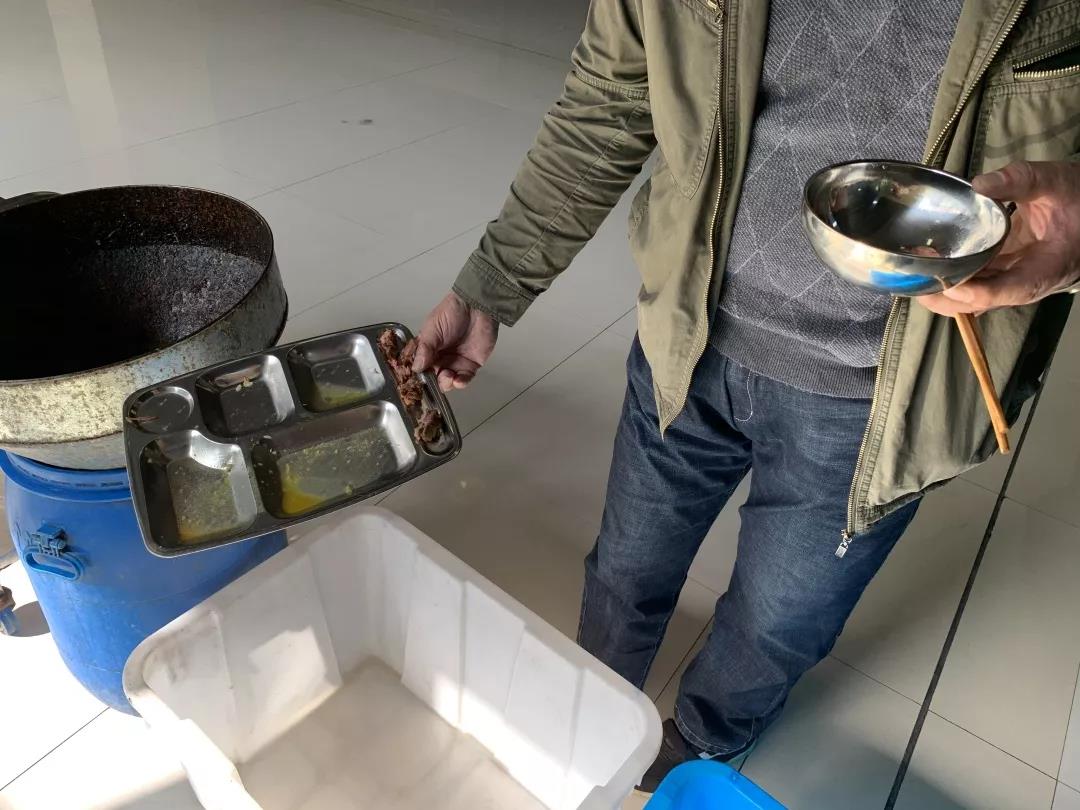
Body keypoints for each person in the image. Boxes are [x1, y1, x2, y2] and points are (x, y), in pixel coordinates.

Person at [412, 0, 1080, 793]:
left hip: (882, 402)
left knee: (777, 623)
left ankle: (704, 740)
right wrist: (493, 285)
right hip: (684, 344)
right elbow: (608, 102)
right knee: (625, 566)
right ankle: (592, 700)